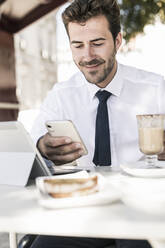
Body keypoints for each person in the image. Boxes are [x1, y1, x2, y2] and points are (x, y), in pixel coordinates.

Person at [30, 0, 165, 247]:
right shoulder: (61, 95)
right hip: (83, 209)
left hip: (143, 208)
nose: (87, 56)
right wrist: (43, 146)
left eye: (97, 43)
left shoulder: (156, 89)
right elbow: (34, 143)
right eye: (78, 45)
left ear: (118, 41)